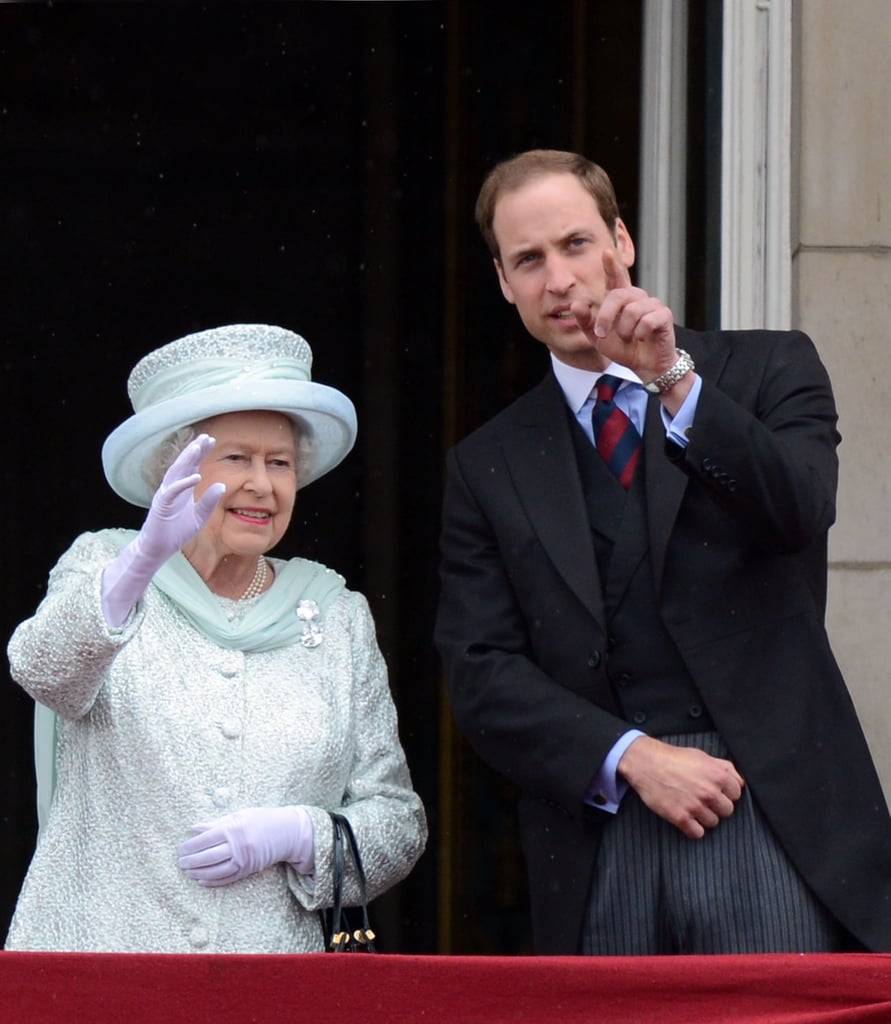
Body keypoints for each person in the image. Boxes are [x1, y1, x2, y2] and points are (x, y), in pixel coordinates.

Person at [434, 149, 891, 956]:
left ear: (622, 240)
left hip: (771, 810)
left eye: (575, 244)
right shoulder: (488, 461)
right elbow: (479, 669)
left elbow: (799, 507)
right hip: (599, 827)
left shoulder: (767, 367)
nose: (558, 280)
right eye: (528, 260)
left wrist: (672, 380)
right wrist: (629, 756)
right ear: (503, 282)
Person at [6, 322, 427, 953]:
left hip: (266, 986)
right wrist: (142, 563)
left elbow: (398, 822)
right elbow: (42, 669)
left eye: (279, 462)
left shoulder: (337, 616)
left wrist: (301, 835)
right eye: (235, 458)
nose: (262, 483)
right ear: (169, 470)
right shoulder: (105, 568)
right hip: (101, 971)